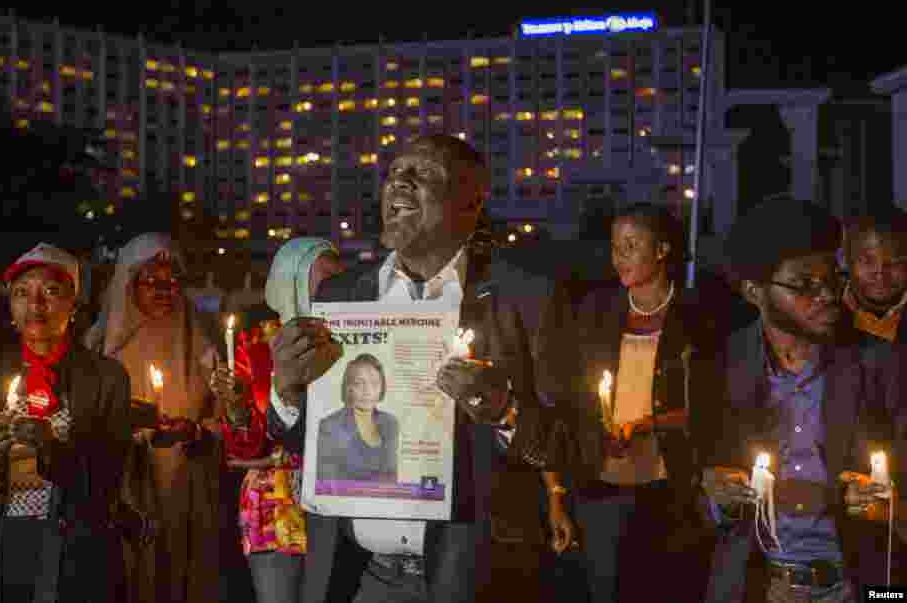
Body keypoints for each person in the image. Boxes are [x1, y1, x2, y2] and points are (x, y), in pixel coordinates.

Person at [267, 134, 569, 603]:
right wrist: (286, 393)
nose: (399, 184)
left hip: (471, 574)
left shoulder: (523, 298)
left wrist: (505, 411)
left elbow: (568, 445)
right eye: (393, 174)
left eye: (423, 175)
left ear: (469, 204)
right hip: (359, 576)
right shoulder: (340, 297)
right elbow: (305, 436)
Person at [701, 197, 907, 603]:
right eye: (804, 284)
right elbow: (684, 499)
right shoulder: (719, 365)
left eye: (832, 279)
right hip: (756, 586)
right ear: (753, 291)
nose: (828, 294)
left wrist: (890, 506)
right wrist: (715, 499)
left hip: (859, 586)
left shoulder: (881, 364)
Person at [542, 203, 717, 603]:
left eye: (631, 245)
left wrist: (649, 424)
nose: (619, 257)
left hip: (672, 485)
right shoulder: (593, 313)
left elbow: (714, 406)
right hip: (601, 484)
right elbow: (568, 404)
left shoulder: (698, 316)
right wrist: (557, 493)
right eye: (615, 247)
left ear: (662, 249)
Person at [0, 243, 132, 602]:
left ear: (74, 303)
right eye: (21, 293)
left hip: (76, 548)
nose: (35, 305)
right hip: (2, 542)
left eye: (50, 291)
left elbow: (107, 481)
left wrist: (52, 450)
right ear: (10, 306)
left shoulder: (105, 377)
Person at [84, 233, 221, 603]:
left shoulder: (201, 339)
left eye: (172, 282)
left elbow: (225, 417)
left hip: (184, 484)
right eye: (152, 282)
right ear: (128, 284)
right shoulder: (99, 346)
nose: (164, 290)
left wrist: (195, 432)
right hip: (125, 484)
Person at [211, 236, 345, 603]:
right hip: (276, 505)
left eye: (339, 280)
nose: (335, 291)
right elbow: (245, 444)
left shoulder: (351, 344)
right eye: (324, 281)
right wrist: (237, 407)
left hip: (339, 501)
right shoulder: (256, 350)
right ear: (290, 283)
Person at [317, 354, 400, 484]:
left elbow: (393, 477)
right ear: (348, 387)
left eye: (374, 383)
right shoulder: (330, 426)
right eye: (359, 383)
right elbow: (326, 484)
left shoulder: (390, 423)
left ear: (382, 387)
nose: (367, 391)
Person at [841, 206, 907, 342]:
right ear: (848, 261)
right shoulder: (824, 312)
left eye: (895, 262)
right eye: (867, 261)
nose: (880, 274)